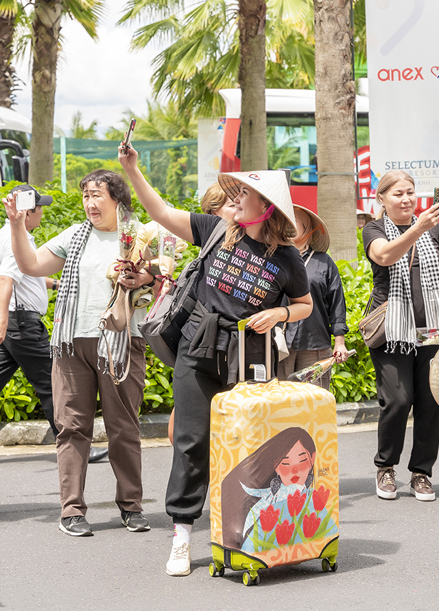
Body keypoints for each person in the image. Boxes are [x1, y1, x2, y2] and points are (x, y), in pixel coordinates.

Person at [119, 144, 312, 577]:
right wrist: (133, 170)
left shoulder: (286, 257)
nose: (234, 200)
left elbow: (304, 305)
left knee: (247, 444)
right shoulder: (214, 228)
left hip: (249, 355)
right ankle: (182, 535)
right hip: (197, 347)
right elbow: (162, 212)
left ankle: (245, 528)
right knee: (191, 440)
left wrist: (279, 312)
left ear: (265, 206)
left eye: (243, 194)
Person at [4, 169, 152, 537]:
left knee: (124, 428)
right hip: (72, 342)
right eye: (85, 195)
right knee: (71, 427)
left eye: (96, 195)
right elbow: (30, 266)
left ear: (117, 198)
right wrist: (17, 226)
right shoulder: (75, 235)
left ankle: (131, 506)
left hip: (121, 340)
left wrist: (143, 277)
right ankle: (71, 510)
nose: (89, 203)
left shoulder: (141, 234)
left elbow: (160, 271)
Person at [0, 185, 107, 467]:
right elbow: (5, 280)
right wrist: (2, 322)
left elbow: (27, 274)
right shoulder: (18, 236)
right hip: (21, 325)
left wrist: (55, 284)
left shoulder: (9, 235)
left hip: (14, 323)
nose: (42, 213)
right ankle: (75, 448)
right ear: (28, 211)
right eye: (40, 208)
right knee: (54, 384)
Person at [362, 170, 439, 502]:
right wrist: (417, 229)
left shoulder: (435, 230)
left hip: (433, 328)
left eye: (410, 193)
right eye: (397, 194)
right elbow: (384, 255)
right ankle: (385, 466)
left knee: (431, 402)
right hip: (393, 330)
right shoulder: (374, 228)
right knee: (399, 399)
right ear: (382, 198)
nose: (405, 199)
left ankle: (421, 473)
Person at [167, 183, 240, 444]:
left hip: (224, 348)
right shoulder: (206, 245)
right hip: (197, 344)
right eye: (232, 205)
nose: (239, 210)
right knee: (191, 427)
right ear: (212, 214)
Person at [220, 427, 338, 554]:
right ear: (276, 467)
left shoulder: (312, 500)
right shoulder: (267, 505)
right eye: (286, 463)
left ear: (312, 459)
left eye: (302, 460)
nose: (294, 470)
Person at [277, 205, 349, 390]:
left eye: (295, 220)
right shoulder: (273, 258)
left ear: (309, 228)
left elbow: (337, 304)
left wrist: (339, 342)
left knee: (313, 400)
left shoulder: (324, 262)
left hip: (314, 342)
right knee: (279, 400)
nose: (289, 224)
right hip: (279, 342)